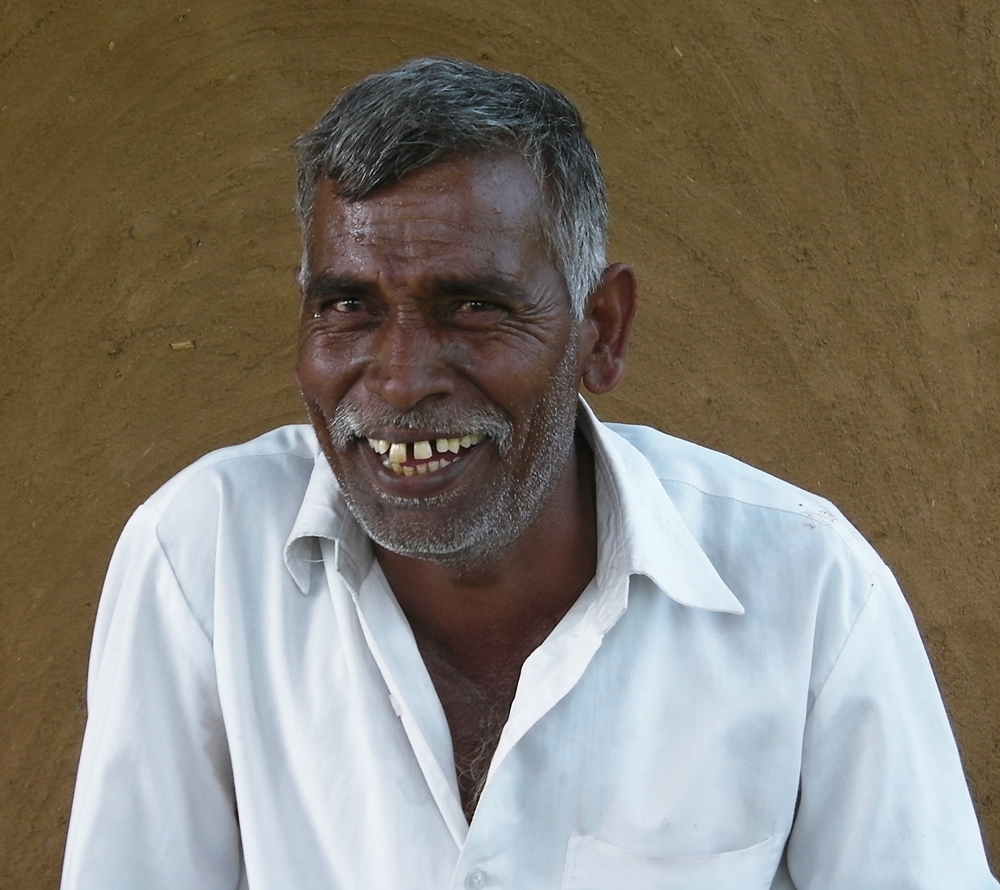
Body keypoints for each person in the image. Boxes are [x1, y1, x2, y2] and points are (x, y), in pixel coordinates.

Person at [61, 57, 997, 889]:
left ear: (601, 331)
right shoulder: (198, 559)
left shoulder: (807, 587)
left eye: (472, 307)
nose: (399, 379)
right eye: (347, 306)